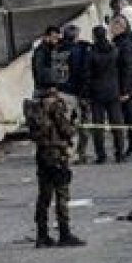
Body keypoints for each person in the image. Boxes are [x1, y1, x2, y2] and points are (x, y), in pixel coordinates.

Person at [24, 87, 86, 247]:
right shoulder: (55, 106)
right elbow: (66, 130)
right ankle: (64, 234)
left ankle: (42, 235)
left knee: (43, 197)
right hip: (57, 153)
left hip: (42, 153)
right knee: (62, 195)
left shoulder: (33, 106)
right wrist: (74, 124)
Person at [84, 25, 125, 163]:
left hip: (97, 93)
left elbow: (87, 74)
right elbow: (120, 70)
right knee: (117, 124)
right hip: (113, 90)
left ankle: (101, 155)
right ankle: (119, 152)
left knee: (98, 126)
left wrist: (87, 92)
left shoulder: (91, 53)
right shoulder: (114, 50)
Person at [57, 24, 91, 164]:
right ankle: (80, 153)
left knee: (65, 125)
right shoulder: (79, 51)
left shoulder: (57, 50)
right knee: (82, 124)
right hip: (76, 92)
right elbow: (81, 72)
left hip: (62, 91)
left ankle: (67, 152)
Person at [111, 15, 132, 159]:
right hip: (126, 87)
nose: (111, 29)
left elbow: (128, 69)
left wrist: (126, 91)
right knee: (128, 118)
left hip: (128, 89)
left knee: (130, 118)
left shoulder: (126, 45)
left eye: (113, 26)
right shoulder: (121, 43)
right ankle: (130, 146)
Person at [31, 26, 63, 92]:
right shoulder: (40, 52)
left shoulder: (51, 49)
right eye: (54, 38)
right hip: (45, 89)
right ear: (47, 37)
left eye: (57, 38)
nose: (56, 41)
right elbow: (40, 73)